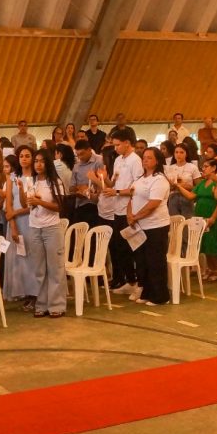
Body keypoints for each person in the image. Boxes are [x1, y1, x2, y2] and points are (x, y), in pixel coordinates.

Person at [25, 148, 67, 317]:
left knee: (55, 267)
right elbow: (27, 203)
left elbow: (59, 206)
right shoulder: (32, 181)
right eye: (36, 161)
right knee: (39, 268)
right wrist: (30, 199)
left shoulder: (55, 181)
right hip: (35, 227)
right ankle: (41, 303)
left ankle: (57, 305)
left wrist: (39, 202)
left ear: (47, 163)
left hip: (51, 228)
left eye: (42, 161)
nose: (38, 164)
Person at [127, 147, 171, 306]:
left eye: (149, 158)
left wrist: (137, 216)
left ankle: (160, 296)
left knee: (155, 261)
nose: (145, 160)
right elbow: (131, 198)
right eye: (144, 157)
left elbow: (153, 203)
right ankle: (147, 292)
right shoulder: (139, 179)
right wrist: (130, 215)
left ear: (157, 161)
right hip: (140, 226)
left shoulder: (159, 179)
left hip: (156, 226)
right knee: (142, 261)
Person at [106, 129, 144, 296]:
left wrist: (118, 192)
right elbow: (114, 183)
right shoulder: (118, 160)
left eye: (118, 145)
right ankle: (129, 280)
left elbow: (137, 187)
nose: (116, 148)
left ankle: (138, 283)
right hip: (117, 208)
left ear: (127, 142)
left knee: (132, 247)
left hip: (129, 209)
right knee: (119, 247)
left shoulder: (135, 161)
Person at [3, 149, 37, 310]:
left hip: (32, 220)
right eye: (21, 156)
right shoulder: (13, 177)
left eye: (27, 156)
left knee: (32, 258)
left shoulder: (36, 178)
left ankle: (35, 293)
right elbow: (9, 202)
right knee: (19, 258)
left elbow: (33, 204)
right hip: (16, 221)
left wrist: (15, 212)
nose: (24, 159)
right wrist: (13, 224)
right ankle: (24, 291)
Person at [71, 139, 102, 228]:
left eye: (82, 154)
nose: (80, 157)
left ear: (89, 150)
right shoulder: (76, 166)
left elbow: (104, 184)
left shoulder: (98, 162)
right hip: (80, 204)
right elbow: (71, 187)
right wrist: (79, 188)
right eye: (77, 155)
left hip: (95, 205)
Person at [165, 143, 199, 218]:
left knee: (188, 222)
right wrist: (171, 185)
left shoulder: (192, 167)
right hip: (173, 197)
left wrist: (186, 186)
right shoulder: (170, 168)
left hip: (187, 197)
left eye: (181, 152)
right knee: (174, 222)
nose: (178, 155)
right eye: (176, 152)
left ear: (186, 154)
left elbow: (198, 187)